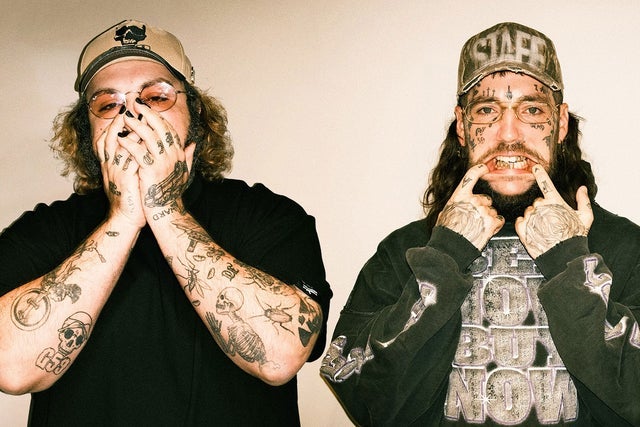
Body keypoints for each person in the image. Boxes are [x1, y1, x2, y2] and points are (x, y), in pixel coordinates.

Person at [0, 19, 332, 426]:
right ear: (86, 131)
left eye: (156, 97)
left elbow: (279, 357)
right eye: (107, 104)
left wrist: (164, 208)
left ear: (196, 113)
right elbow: (10, 370)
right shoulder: (43, 230)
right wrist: (124, 217)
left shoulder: (268, 216)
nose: (132, 114)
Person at [320, 22, 640, 426]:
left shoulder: (624, 246)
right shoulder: (408, 250)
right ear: (461, 125)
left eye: (532, 110)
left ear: (560, 124)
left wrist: (570, 264)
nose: (508, 134)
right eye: (487, 110)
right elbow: (364, 397)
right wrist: (443, 258)